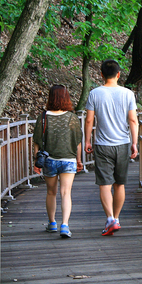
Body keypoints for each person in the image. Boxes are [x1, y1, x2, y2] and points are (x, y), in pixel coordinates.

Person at [84, 59, 138, 236]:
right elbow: (133, 120)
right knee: (119, 184)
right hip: (122, 144)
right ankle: (116, 218)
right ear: (119, 74)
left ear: (101, 74)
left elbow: (89, 120)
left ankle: (110, 219)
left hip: (102, 144)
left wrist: (87, 141)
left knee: (104, 184)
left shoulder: (95, 94)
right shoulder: (128, 94)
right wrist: (134, 143)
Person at [33, 85, 83, 238]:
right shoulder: (72, 118)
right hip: (68, 160)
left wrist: (37, 162)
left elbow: (37, 142)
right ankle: (65, 225)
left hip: (49, 160)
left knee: (51, 192)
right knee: (66, 193)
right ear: (66, 97)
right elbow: (77, 142)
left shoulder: (43, 117)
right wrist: (79, 160)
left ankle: (52, 222)